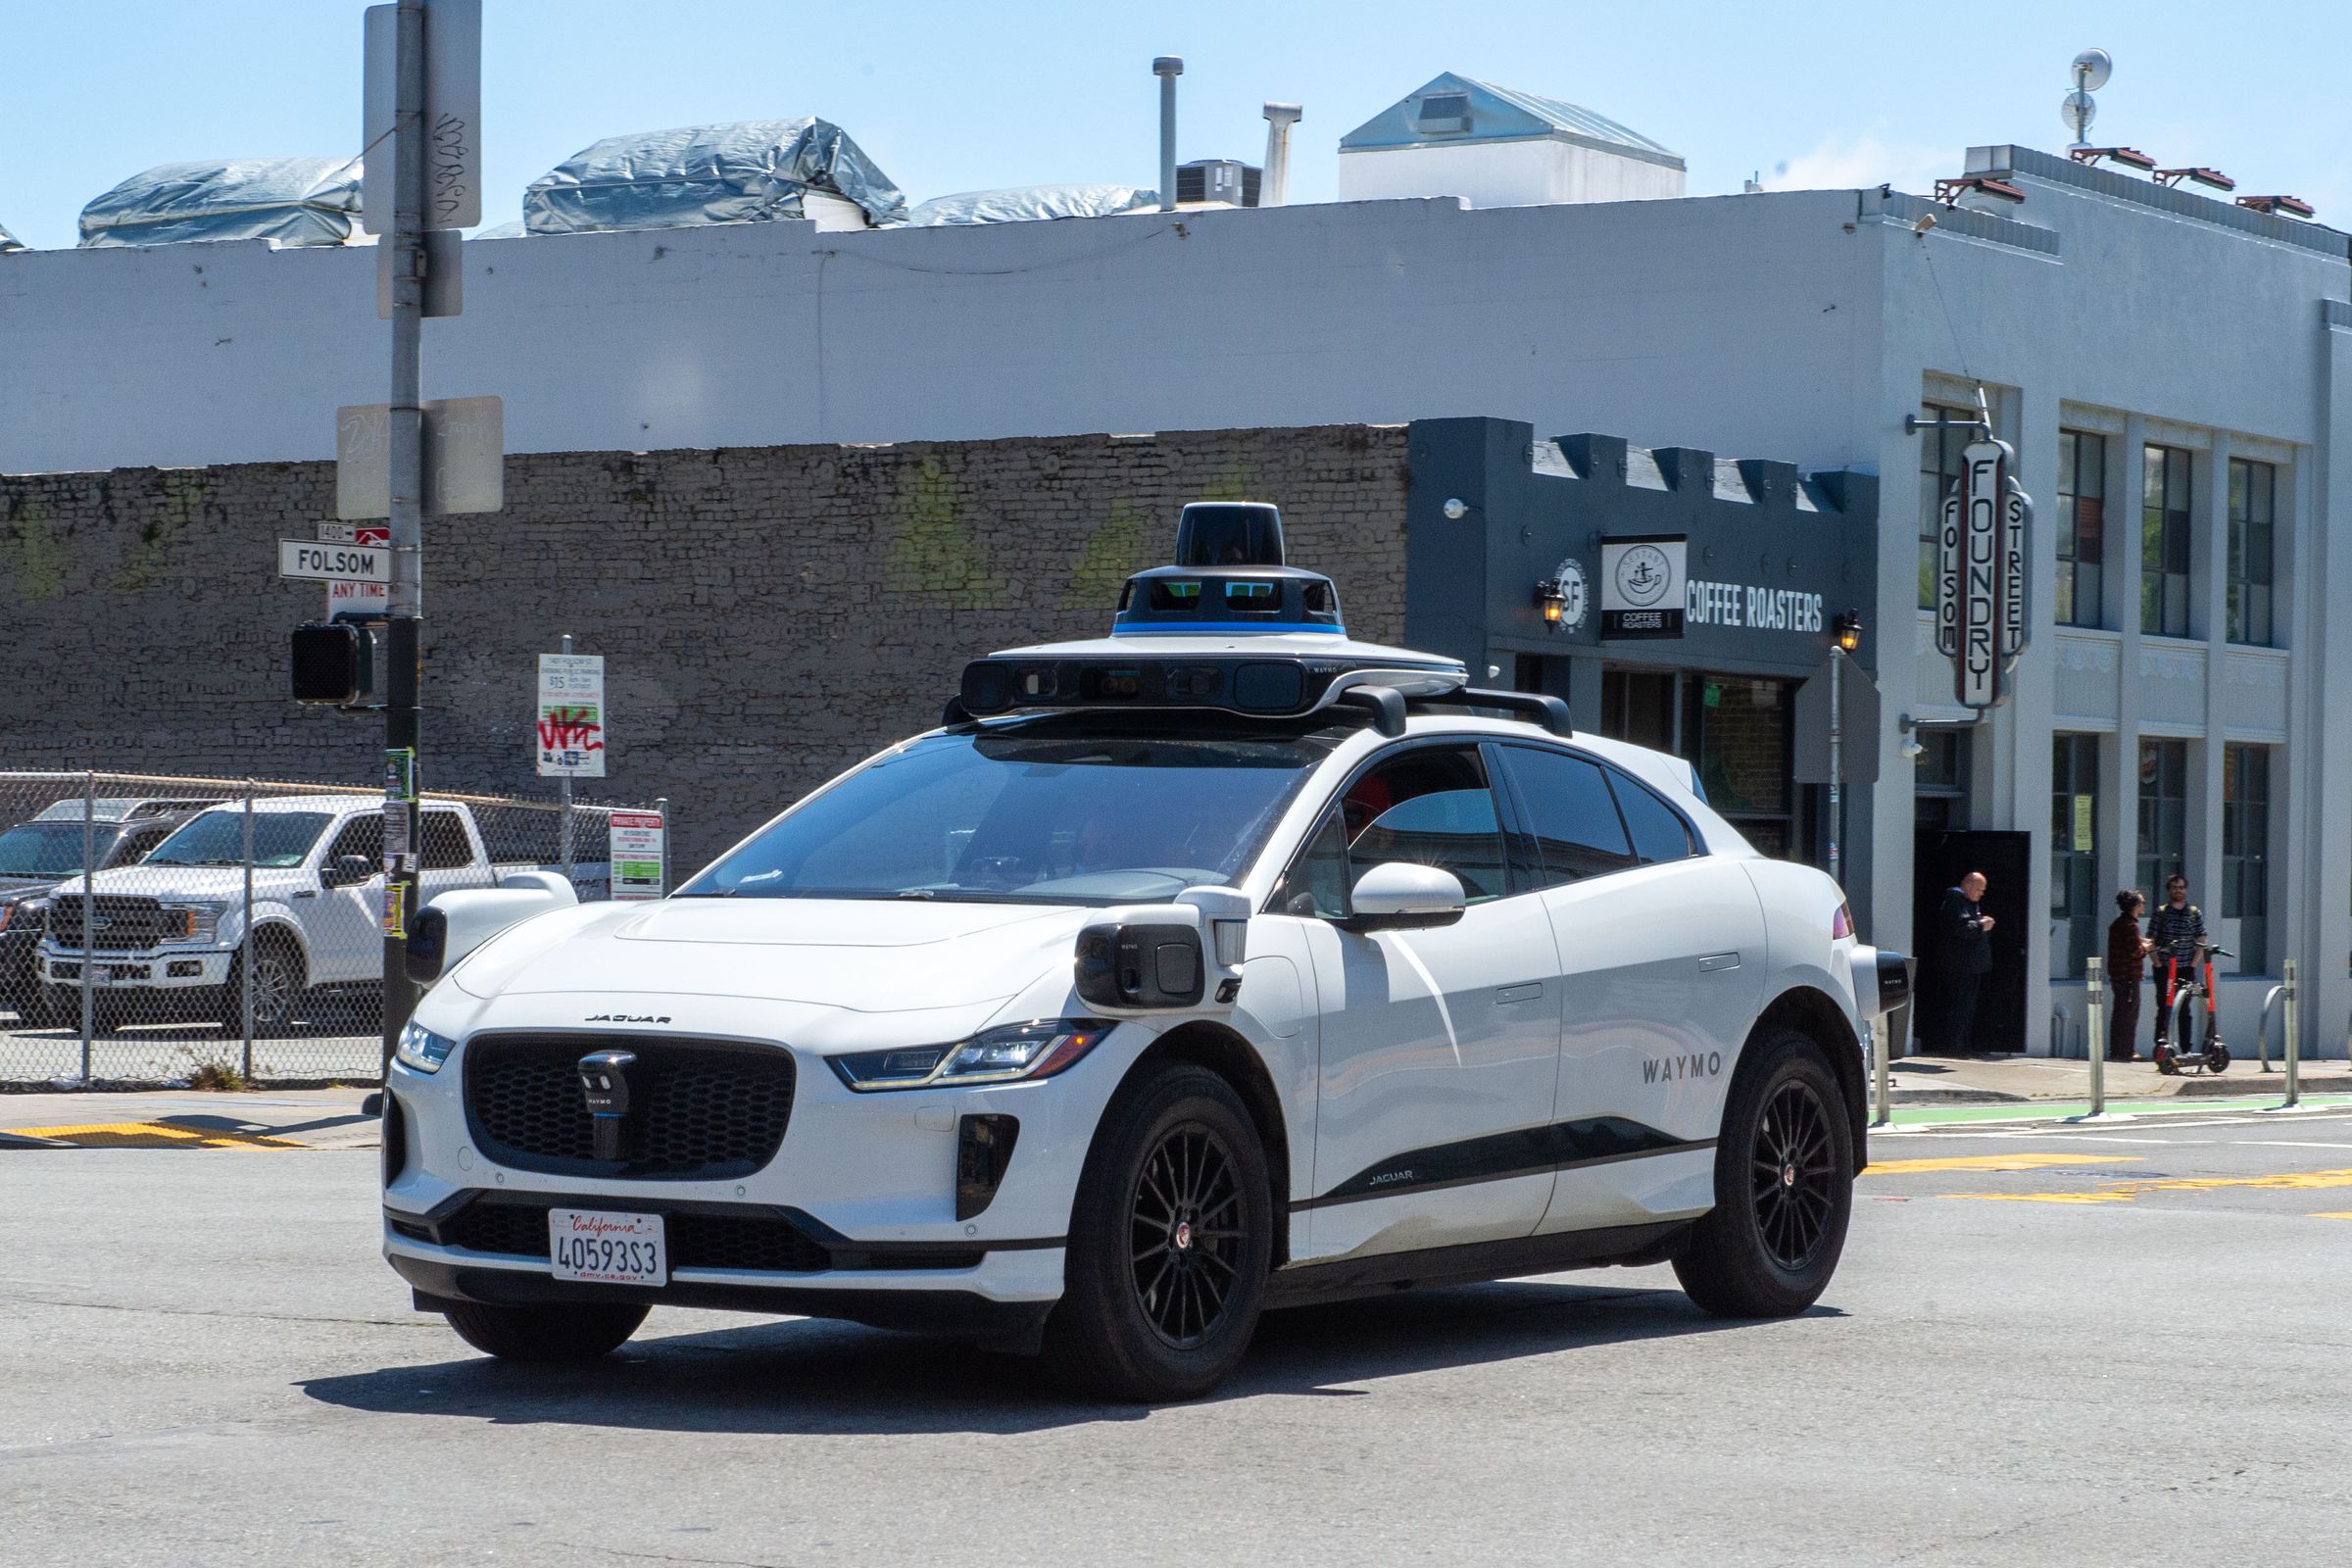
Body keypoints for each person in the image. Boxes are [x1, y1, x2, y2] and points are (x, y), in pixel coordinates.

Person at [1936, 870, 1995, 1052]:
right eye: (1979, 889)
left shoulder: (1969, 903)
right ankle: (1955, 1046)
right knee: (1959, 1007)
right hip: (1960, 966)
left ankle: (1963, 1044)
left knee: (1967, 1008)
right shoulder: (1956, 899)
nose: (1981, 894)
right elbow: (1959, 928)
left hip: (1971, 966)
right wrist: (1981, 925)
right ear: (1967, 885)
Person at [2147, 874, 2207, 1051]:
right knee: (2164, 1008)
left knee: (2184, 1010)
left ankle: (2186, 1049)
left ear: (2186, 890)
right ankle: (2160, 1047)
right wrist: (2157, 964)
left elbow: (2202, 937)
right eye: (2174, 887)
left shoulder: (2194, 912)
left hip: (2186, 968)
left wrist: (2193, 964)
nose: (2178, 890)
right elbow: (2150, 939)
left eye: (2181, 887)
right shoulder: (2161, 912)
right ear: (2168, 890)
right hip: (2165, 967)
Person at [2105, 890, 2152, 1062]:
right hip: (2129, 976)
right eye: (2141, 903)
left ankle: (2117, 1049)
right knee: (2129, 1015)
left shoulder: (2119, 924)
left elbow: (2132, 941)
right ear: (2135, 906)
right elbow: (2135, 951)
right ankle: (2126, 1051)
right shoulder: (2131, 926)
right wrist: (2147, 948)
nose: (2143, 905)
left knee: (2119, 1013)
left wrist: (2143, 942)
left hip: (2118, 975)